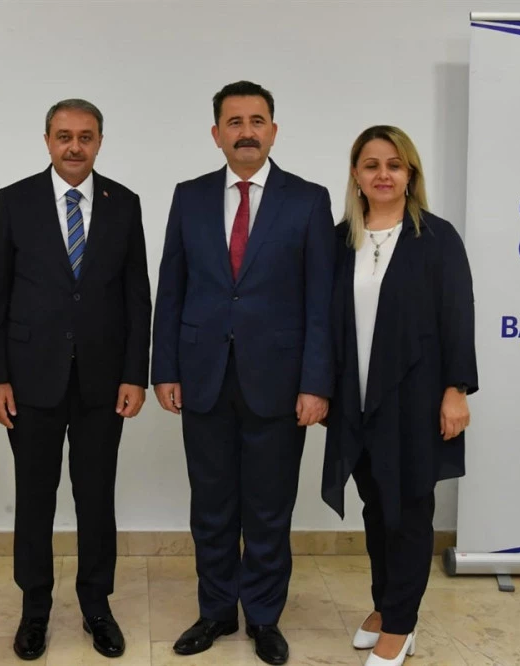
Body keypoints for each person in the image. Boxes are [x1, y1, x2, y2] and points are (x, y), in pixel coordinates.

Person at [151, 80, 335, 666]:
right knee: (211, 506)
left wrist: (316, 383)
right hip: (203, 375)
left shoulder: (308, 200)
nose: (247, 132)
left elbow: (321, 302)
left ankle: (263, 616)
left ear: (274, 131)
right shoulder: (189, 196)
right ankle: (214, 611)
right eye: (234, 122)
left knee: (268, 508)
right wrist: (164, 369)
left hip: (279, 382)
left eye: (257, 121)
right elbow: (172, 287)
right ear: (216, 134)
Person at [0, 98, 152, 661]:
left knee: (95, 496)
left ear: (99, 141)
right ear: (47, 140)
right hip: (30, 380)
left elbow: (137, 296)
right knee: (34, 497)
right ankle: (34, 609)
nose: (74, 146)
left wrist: (135, 374)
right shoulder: (15, 200)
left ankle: (96, 606)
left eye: (85, 136)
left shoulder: (124, 203)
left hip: (103, 381)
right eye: (64, 136)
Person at [321, 125, 477, 666]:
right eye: (371, 165)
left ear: (410, 174)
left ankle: (401, 625)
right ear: (356, 175)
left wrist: (456, 390)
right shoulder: (341, 240)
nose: (382, 174)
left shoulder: (436, 237)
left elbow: (458, 316)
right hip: (356, 401)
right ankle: (385, 605)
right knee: (375, 508)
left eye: (394, 164)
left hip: (415, 399)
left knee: (409, 511)